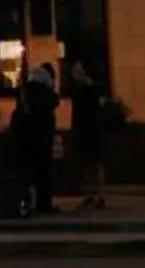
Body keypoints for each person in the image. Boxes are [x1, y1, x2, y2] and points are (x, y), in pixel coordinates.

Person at [17, 60, 60, 216]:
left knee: (27, 175)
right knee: (44, 174)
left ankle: (27, 204)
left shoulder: (24, 94)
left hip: (26, 141)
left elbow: (18, 118)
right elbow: (54, 102)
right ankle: (44, 204)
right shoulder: (45, 95)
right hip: (42, 140)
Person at [66, 57, 107, 210]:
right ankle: (91, 194)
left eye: (77, 71)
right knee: (87, 164)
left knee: (95, 163)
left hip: (91, 129)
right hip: (85, 129)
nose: (75, 74)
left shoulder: (90, 89)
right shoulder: (78, 90)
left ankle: (99, 195)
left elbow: (98, 104)